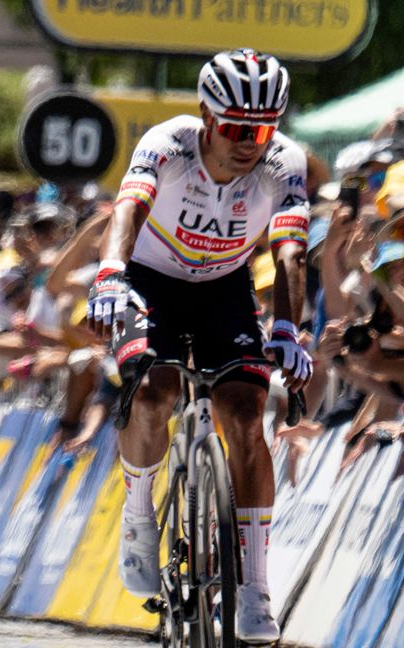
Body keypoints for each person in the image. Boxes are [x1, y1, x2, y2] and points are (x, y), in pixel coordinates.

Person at [88, 48, 311, 644]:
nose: (248, 142)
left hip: (223, 288)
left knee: (243, 412)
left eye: (261, 129)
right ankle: (138, 518)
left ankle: (256, 586)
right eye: (236, 128)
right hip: (150, 281)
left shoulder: (284, 164)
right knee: (155, 392)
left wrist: (288, 329)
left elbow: (290, 250)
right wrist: (111, 270)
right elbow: (128, 208)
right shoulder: (168, 143)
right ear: (209, 120)